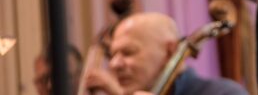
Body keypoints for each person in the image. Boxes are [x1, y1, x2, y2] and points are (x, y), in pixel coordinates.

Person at [78, 12, 245, 95]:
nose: (114, 64)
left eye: (128, 53)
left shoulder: (224, 93)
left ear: (170, 51)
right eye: (112, 55)